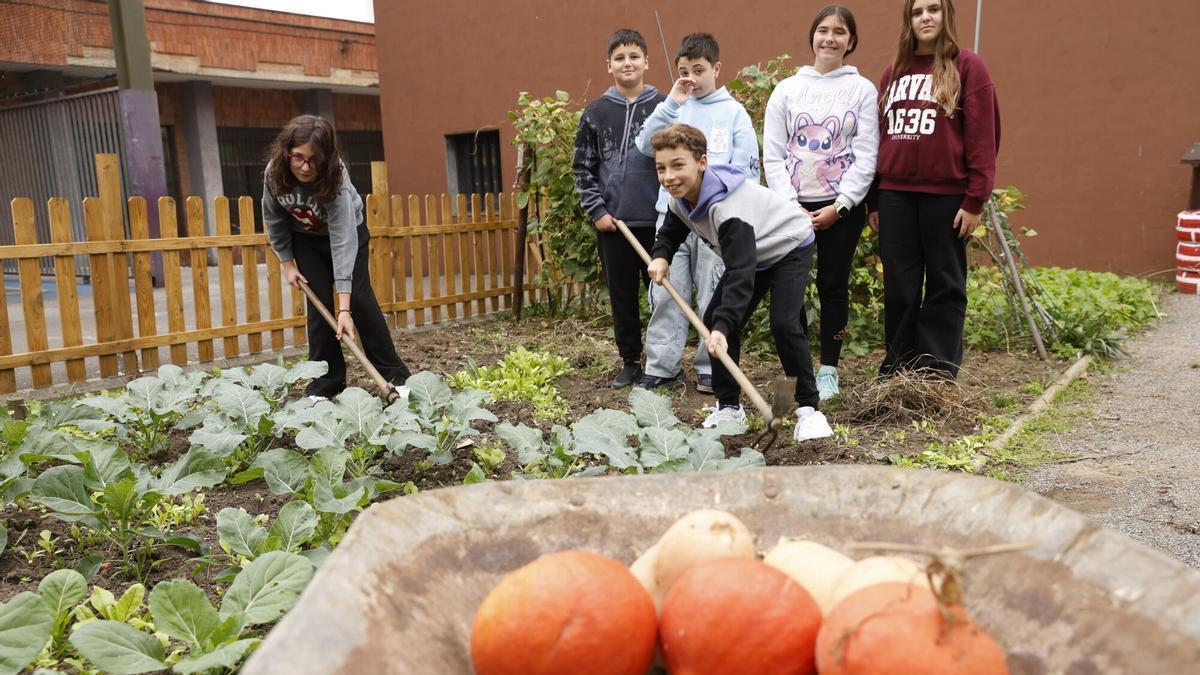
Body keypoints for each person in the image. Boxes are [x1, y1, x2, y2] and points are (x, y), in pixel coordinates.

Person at [647, 124, 833, 442]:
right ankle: (730, 408)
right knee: (714, 320)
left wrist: (721, 327)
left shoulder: (727, 210)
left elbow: (739, 275)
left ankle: (809, 410)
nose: (669, 176)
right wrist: (661, 255)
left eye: (678, 165)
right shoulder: (680, 196)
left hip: (789, 244)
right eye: (661, 168)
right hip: (753, 253)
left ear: (701, 162)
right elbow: (672, 227)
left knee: (784, 324)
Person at [868, 0, 1000, 379]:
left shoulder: (969, 67)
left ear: (947, 16)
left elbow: (983, 139)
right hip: (895, 195)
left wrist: (975, 199)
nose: (925, 17)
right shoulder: (894, 72)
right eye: (916, 11)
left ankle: (936, 371)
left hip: (947, 197)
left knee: (945, 283)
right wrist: (875, 199)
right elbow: (880, 136)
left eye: (933, 9)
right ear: (908, 20)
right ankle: (899, 368)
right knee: (899, 286)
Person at [763, 4, 879, 401]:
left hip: (839, 208)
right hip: (791, 207)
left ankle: (829, 367)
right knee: (790, 290)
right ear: (812, 36)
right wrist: (790, 205)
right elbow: (773, 155)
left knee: (833, 285)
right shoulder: (787, 89)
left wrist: (842, 205)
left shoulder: (862, 90)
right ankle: (795, 371)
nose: (830, 38)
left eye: (840, 32)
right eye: (823, 30)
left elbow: (867, 156)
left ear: (851, 41)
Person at [634, 32, 759, 393]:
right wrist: (672, 101)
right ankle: (662, 365)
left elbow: (748, 172)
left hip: (714, 220)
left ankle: (710, 366)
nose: (692, 78)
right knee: (666, 292)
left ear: (717, 68)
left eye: (699, 70)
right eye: (684, 70)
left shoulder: (734, 112)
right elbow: (645, 145)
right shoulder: (674, 107)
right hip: (672, 215)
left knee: (712, 292)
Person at [262, 114, 412, 399]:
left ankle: (395, 375)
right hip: (305, 239)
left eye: (313, 159)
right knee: (319, 309)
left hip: (348, 233)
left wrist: (344, 310)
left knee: (359, 300)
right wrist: (287, 263)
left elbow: (343, 240)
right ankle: (325, 383)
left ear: (326, 157)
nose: (305, 167)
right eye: (298, 157)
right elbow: (274, 218)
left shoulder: (335, 177)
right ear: (286, 153)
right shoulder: (274, 174)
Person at [573, 28, 666, 388]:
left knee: (662, 297)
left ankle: (662, 363)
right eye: (619, 58)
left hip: (657, 220)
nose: (627, 63)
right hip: (615, 222)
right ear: (608, 65)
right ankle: (630, 360)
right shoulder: (596, 112)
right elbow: (583, 166)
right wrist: (597, 211)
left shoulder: (663, 107)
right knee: (623, 297)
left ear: (646, 62)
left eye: (634, 57)